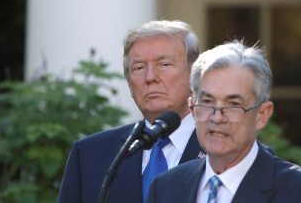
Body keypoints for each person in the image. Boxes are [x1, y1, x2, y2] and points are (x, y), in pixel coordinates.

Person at [146, 40, 301, 203]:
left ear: (262, 115)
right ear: (193, 111)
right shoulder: (165, 188)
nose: (217, 117)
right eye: (207, 102)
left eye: (233, 104)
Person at [57, 20, 205, 203]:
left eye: (164, 64)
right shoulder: (89, 155)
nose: (150, 77)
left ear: (195, 77)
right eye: (139, 68)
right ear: (129, 84)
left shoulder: (224, 148)